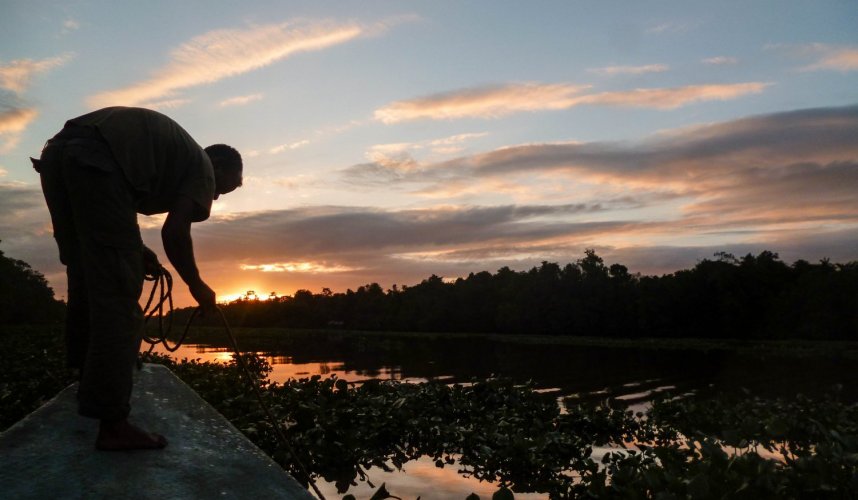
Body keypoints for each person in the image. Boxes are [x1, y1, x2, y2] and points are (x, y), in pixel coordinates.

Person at [32, 106, 242, 450]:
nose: (214, 197)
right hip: (95, 159)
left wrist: (136, 250)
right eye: (222, 189)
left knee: (86, 273)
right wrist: (197, 285)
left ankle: (85, 381)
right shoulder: (202, 167)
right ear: (217, 167)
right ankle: (113, 424)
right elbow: (175, 233)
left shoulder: (166, 156)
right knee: (119, 300)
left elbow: (114, 207)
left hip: (58, 154)